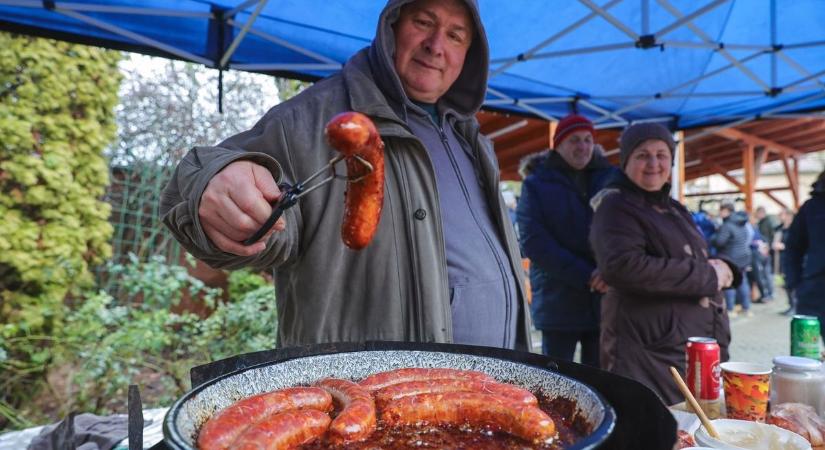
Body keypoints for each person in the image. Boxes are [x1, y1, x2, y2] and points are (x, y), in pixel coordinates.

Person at [160, 0, 531, 349]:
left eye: (455, 35)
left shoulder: (470, 137)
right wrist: (215, 181)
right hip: (368, 398)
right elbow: (214, 190)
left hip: (495, 392)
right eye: (424, 22)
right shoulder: (308, 120)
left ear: (469, 53)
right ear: (392, 26)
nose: (436, 45)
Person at [589, 122, 737, 405]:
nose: (654, 163)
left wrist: (727, 268)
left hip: (688, 344)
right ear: (626, 162)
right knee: (659, 428)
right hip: (649, 350)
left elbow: (693, 256)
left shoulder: (674, 208)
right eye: (643, 155)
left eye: (662, 154)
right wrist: (709, 276)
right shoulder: (616, 207)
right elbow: (624, 267)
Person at [516, 114, 619, 366]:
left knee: (601, 376)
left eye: (587, 140)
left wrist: (608, 272)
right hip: (558, 299)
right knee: (555, 374)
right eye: (574, 140)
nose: (582, 147)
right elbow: (534, 242)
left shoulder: (611, 177)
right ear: (558, 144)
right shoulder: (536, 183)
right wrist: (587, 275)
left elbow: (623, 229)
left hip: (604, 300)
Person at [785, 170, 825, 341]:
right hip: (815, 291)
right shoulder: (812, 207)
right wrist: (794, 283)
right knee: (807, 357)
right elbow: (793, 247)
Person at [711, 201, 753, 317]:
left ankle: (730, 309)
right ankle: (746, 308)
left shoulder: (727, 225)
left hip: (731, 257)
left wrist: (713, 237)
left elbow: (719, 242)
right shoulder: (742, 222)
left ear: (727, 211)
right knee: (743, 282)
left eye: (721, 210)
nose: (719, 213)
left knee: (729, 283)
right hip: (744, 256)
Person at [773, 208, 796, 315]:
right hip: (782, 260)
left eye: (782, 215)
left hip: (791, 260)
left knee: (792, 285)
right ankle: (791, 305)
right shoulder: (780, 228)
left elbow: (799, 245)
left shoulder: (795, 229)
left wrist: (784, 246)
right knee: (785, 285)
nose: (780, 217)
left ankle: (795, 306)